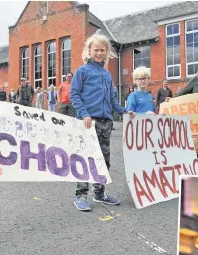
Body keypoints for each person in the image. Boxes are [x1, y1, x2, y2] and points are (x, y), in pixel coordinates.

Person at [70, 34, 135, 211]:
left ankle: (99, 193)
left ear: (107, 52)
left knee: (103, 160)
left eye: (102, 50)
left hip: (106, 124)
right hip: (87, 123)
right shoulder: (82, 71)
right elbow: (74, 94)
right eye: (96, 50)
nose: (99, 53)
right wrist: (84, 114)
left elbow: (112, 99)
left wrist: (123, 111)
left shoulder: (107, 74)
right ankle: (81, 195)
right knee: (85, 159)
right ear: (89, 51)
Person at [169, 59, 198, 162]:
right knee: (197, 132)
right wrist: (172, 99)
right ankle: (196, 154)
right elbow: (184, 91)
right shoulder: (195, 79)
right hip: (196, 111)